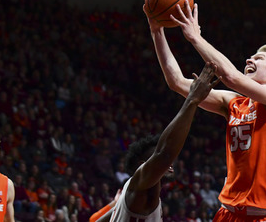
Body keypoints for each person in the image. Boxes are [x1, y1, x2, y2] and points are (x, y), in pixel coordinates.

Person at [145, 1, 266, 221]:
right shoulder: (234, 102)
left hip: (263, 216)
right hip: (227, 213)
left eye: (259, 58)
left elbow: (231, 77)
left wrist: (195, 37)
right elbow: (177, 83)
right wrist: (156, 31)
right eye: (251, 56)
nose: (250, 59)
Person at [91, 62, 220, 222]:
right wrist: (192, 100)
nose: (170, 163)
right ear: (142, 166)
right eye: (154, 159)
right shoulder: (139, 188)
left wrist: (115, 206)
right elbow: (164, 154)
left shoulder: (135, 196)